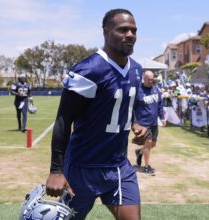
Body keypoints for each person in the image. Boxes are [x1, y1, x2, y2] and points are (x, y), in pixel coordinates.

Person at [45, 9, 147, 220]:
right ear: (106, 31)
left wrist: (138, 124)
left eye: (133, 30)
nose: (130, 34)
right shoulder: (88, 70)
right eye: (123, 29)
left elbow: (131, 105)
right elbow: (64, 121)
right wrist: (56, 170)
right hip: (83, 168)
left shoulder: (137, 70)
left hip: (119, 166)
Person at [134, 70, 166, 176]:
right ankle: (147, 167)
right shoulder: (138, 91)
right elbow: (132, 108)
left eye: (152, 79)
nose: (151, 81)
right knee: (147, 144)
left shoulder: (156, 90)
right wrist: (135, 123)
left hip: (154, 123)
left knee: (153, 144)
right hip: (143, 123)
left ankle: (139, 153)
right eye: (149, 79)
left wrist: (162, 117)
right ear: (144, 78)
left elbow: (160, 106)